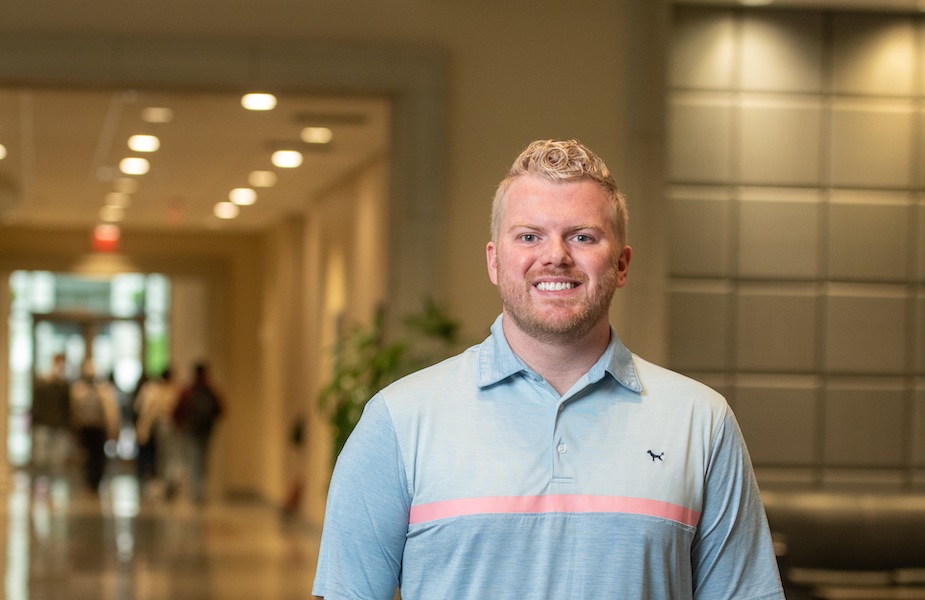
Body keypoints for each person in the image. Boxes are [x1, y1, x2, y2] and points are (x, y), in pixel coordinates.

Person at [312, 140, 785, 599]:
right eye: (529, 236)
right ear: (495, 262)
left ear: (621, 265)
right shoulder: (398, 420)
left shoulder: (701, 421)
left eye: (583, 236)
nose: (555, 255)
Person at [173, 362, 223, 504]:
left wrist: (182, 424)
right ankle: (200, 489)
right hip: (205, 430)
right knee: (203, 459)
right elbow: (221, 409)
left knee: (194, 458)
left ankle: (196, 489)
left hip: (192, 430)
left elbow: (178, 409)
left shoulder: (189, 390)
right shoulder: (210, 390)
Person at [69, 358, 120, 494]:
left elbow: (111, 412)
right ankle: (90, 480)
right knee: (88, 456)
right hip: (87, 428)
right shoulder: (79, 390)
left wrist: (113, 429)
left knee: (98, 456)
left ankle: (95, 480)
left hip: (99, 427)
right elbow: (75, 412)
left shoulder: (104, 390)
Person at [29, 353, 72, 490]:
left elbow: (67, 408)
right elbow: (36, 405)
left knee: (56, 461)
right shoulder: (42, 383)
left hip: (58, 427)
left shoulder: (64, 385)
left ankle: (53, 489)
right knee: (41, 459)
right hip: (43, 426)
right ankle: (40, 488)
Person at [133, 368, 178, 497]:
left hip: (159, 427)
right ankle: (157, 481)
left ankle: (160, 481)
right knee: (162, 455)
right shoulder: (159, 391)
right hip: (161, 427)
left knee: (162, 455)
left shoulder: (153, 390)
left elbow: (138, 407)